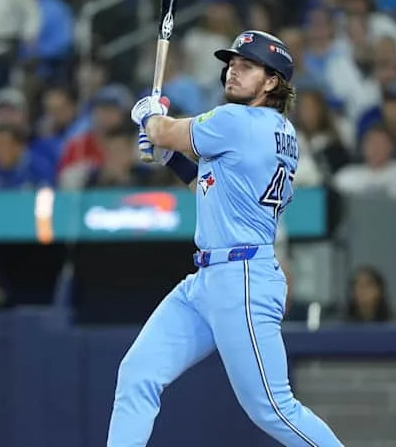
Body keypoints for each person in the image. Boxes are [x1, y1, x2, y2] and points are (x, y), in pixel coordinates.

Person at [109, 31, 344, 446]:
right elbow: (210, 184)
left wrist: (150, 115)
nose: (233, 71)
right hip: (210, 279)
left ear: (272, 81)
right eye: (232, 63)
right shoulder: (278, 131)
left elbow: (162, 129)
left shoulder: (236, 121)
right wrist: (170, 156)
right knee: (138, 372)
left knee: (273, 407)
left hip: (242, 278)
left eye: (247, 65)